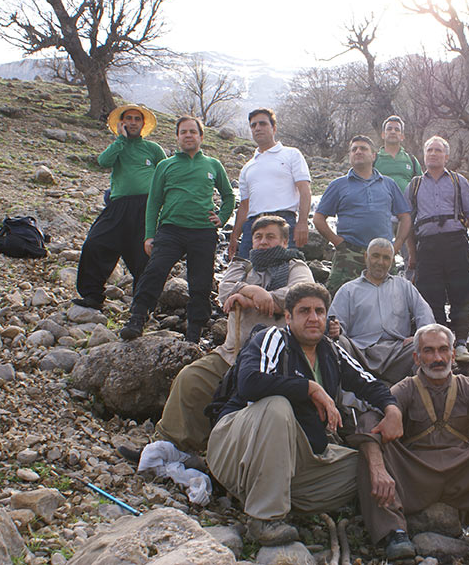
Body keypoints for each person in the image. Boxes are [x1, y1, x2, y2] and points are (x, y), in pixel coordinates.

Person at [206, 282, 403, 546]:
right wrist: (309, 387)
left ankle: (280, 496)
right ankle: (265, 518)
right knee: (277, 406)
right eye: (304, 311)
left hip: (296, 461)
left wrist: (392, 409)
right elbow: (249, 383)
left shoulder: (330, 350)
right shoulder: (274, 338)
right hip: (238, 446)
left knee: (366, 465)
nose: (314, 318)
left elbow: (370, 384)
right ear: (288, 317)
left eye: (320, 311)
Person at [352, 323, 469, 561]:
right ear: (416, 358)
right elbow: (369, 419)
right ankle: (394, 534)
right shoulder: (406, 388)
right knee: (371, 449)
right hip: (415, 476)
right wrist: (378, 468)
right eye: (428, 351)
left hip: (465, 477)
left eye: (443, 350)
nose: (437, 358)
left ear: (453, 354)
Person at [151, 216, 313, 455]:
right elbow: (225, 290)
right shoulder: (243, 265)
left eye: (270, 237)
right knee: (190, 379)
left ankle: (229, 455)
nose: (263, 242)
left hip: (275, 359)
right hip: (232, 353)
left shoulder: (296, 266)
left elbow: (299, 297)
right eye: (258, 237)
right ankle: (172, 445)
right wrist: (252, 290)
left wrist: (258, 299)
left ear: (284, 241)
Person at [119, 116, 235, 343]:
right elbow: (154, 202)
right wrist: (149, 235)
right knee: (154, 271)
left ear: (201, 137)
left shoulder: (213, 165)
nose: (189, 135)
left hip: (203, 232)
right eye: (184, 132)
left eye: (193, 131)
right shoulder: (165, 165)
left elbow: (228, 195)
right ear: (178, 137)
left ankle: (194, 332)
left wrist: (221, 217)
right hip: (171, 229)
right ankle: (138, 317)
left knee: (201, 283)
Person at [74, 104, 166, 310]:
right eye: (129, 119)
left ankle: (143, 304)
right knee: (95, 243)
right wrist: (121, 139)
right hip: (118, 206)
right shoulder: (118, 146)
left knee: (143, 255)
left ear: (143, 124)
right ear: (122, 123)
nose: (133, 122)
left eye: (137, 119)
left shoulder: (153, 149)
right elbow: (103, 161)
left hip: (146, 207)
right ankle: (92, 295)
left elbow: (166, 176)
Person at [405, 135, 469, 365]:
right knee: (430, 295)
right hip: (427, 246)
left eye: (438, 150)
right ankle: (442, 343)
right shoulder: (415, 184)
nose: (433, 154)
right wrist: (412, 253)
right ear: (423, 155)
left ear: (446, 156)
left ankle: (460, 342)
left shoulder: (459, 181)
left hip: (456, 243)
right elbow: (407, 222)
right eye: (429, 150)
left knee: (463, 292)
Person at [328, 238, 434, 385]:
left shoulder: (403, 285)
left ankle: (420, 396)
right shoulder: (348, 290)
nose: (380, 262)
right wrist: (335, 329)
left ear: (392, 261)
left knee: (425, 345)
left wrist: (419, 336)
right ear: (366, 257)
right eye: (375, 256)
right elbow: (335, 324)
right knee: (336, 344)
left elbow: (424, 312)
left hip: (398, 352)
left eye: (386, 258)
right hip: (359, 351)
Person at [314, 135, 411, 295]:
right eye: (354, 149)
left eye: (363, 148)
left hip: (383, 253)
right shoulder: (338, 185)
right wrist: (337, 242)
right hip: (349, 253)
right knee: (340, 300)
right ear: (350, 156)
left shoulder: (388, 184)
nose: (358, 152)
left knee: (391, 299)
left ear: (373, 156)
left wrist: (397, 244)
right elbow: (318, 218)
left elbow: (405, 216)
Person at [228, 108, 311, 260]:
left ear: (274, 128)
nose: (257, 128)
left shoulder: (291, 154)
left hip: (285, 222)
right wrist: (234, 236)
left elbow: (304, 189)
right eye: (253, 125)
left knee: (286, 271)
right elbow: (244, 206)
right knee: (248, 271)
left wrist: (303, 222)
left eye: (262, 124)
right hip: (253, 226)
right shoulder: (247, 167)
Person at [374, 115, 420, 279]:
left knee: (412, 258)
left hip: (407, 216)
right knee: (378, 256)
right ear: (383, 134)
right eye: (389, 129)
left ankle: (410, 293)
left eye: (397, 129)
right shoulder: (374, 159)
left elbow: (421, 186)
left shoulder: (412, 160)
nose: (393, 132)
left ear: (402, 136)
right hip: (380, 215)